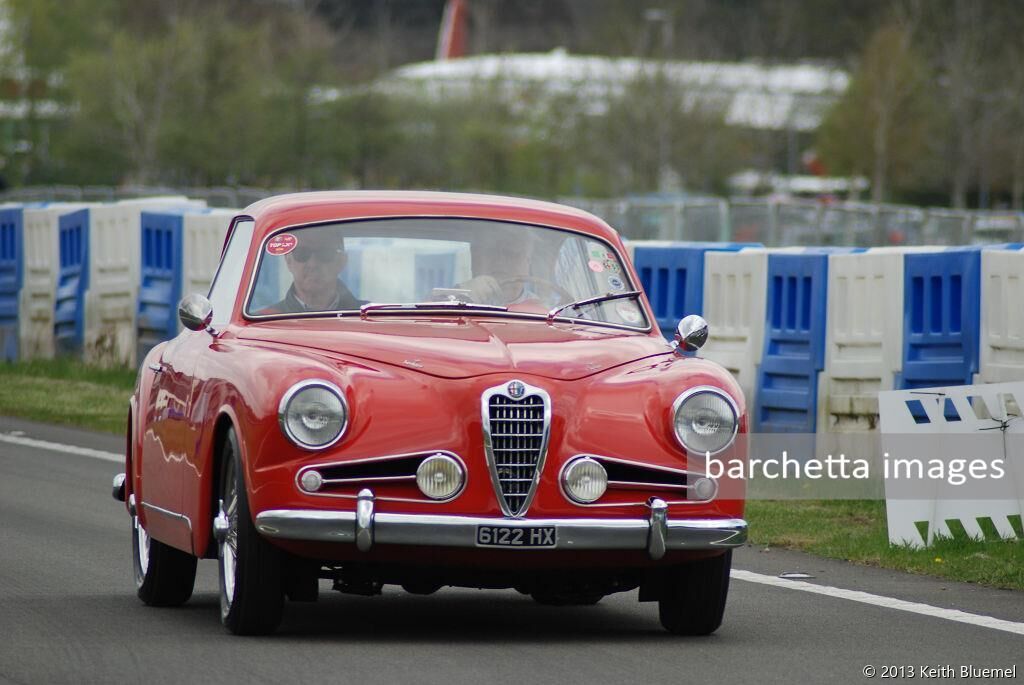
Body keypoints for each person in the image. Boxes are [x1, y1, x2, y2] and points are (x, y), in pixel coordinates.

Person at [262, 227, 361, 314]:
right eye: (301, 253)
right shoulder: (263, 322)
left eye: (324, 253)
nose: (313, 264)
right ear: (288, 261)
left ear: (341, 261)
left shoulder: (370, 317)